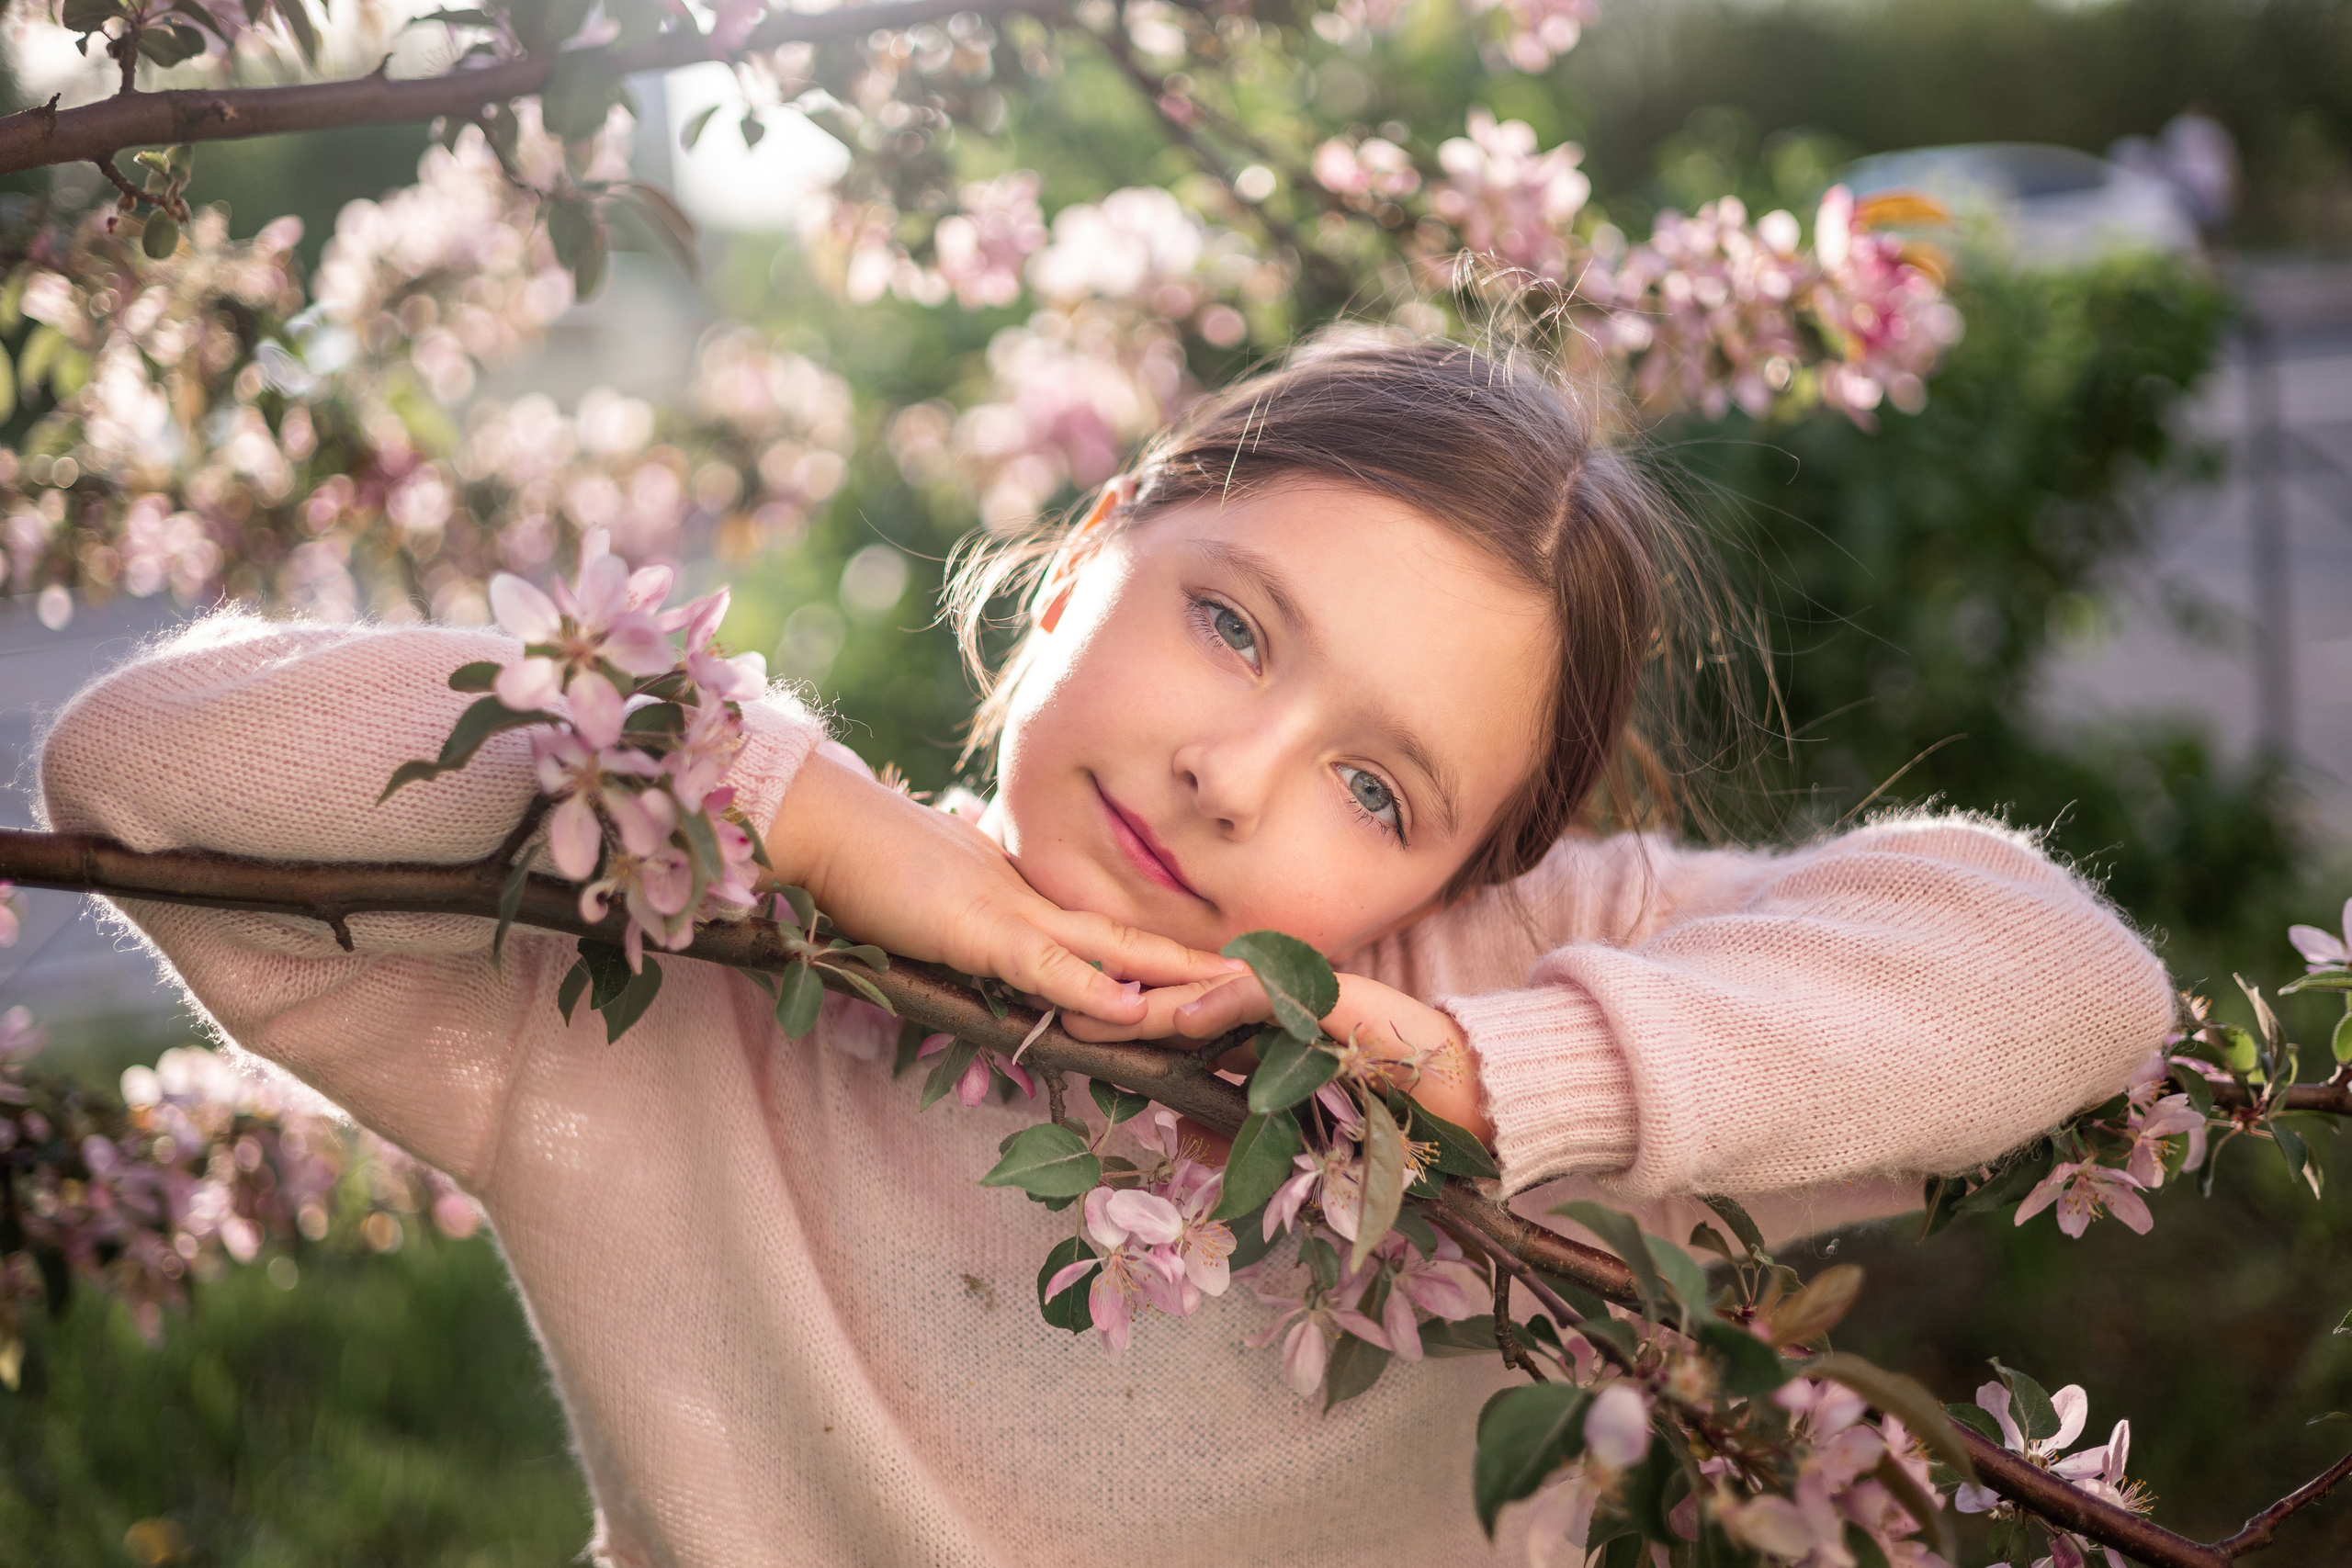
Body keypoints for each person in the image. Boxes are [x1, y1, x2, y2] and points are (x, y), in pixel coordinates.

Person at [37, 338, 2174, 1566]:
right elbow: (142, 760)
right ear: (1085, 556)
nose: (1240, 774)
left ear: (1470, 856)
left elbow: (2064, 979)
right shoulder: (687, 952)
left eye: (1380, 789)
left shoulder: (1506, 984)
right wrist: (806, 816)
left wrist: (1462, 1066)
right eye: (1229, 620)